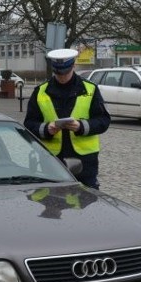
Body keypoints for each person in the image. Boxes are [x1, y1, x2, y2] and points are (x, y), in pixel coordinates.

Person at [24, 48, 110, 189]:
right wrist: (46, 129)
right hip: (51, 161)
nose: (62, 76)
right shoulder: (40, 92)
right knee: (53, 203)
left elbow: (103, 121)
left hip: (85, 163)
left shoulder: (90, 89)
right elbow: (29, 124)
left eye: (65, 72)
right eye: (58, 73)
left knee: (87, 205)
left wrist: (81, 126)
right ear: (54, 70)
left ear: (73, 66)